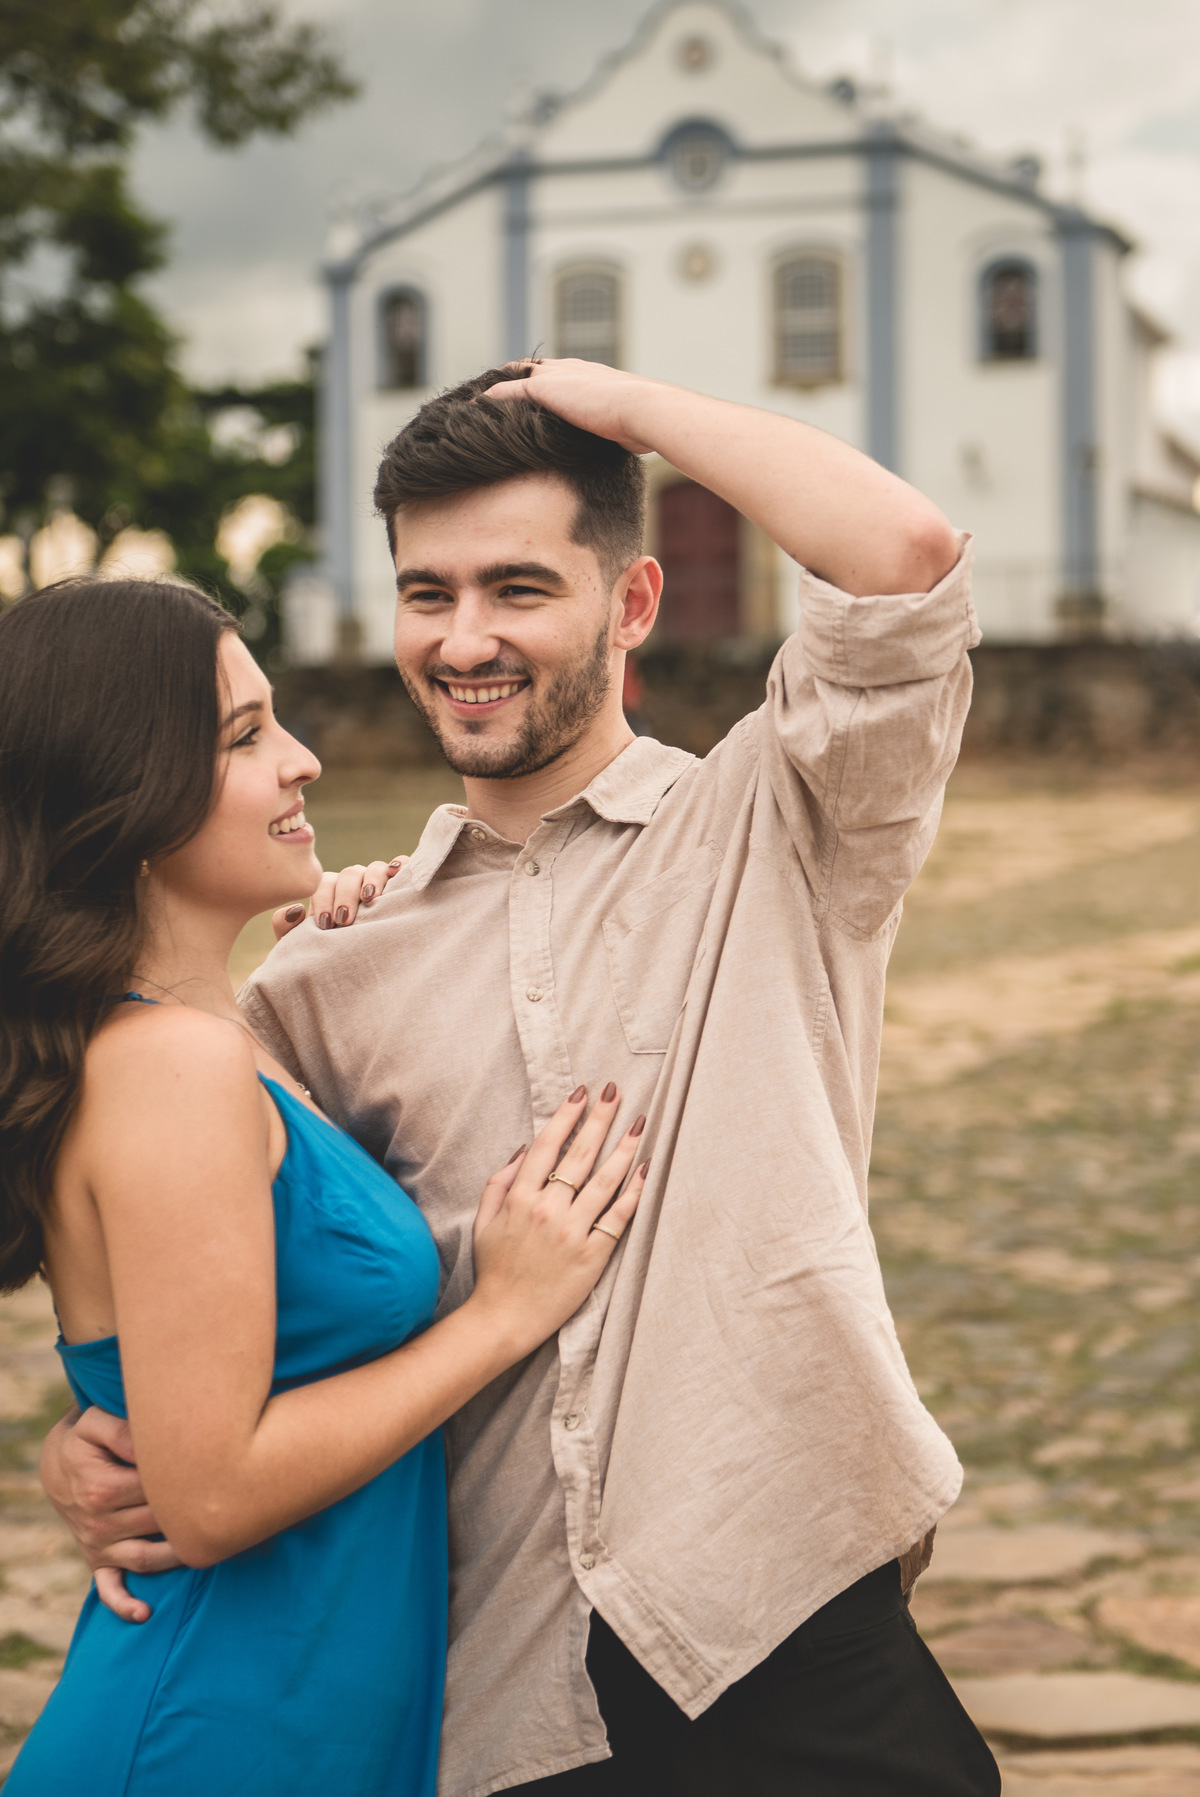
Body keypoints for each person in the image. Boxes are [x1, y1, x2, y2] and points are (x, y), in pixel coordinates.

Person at [43, 361, 1000, 1796]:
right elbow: (227, 1286)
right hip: (510, 1679)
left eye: (518, 587)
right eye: (428, 593)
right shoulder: (317, 977)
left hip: (789, 1610)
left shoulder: (785, 819)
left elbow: (904, 561)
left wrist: (621, 402)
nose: (464, 637)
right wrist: (99, 1439)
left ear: (631, 605)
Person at [0, 577, 646, 1796]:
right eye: (244, 737)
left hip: (310, 1720)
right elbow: (212, 1496)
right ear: (121, 793)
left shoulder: (220, 1038)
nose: (299, 761)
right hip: (219, 1730)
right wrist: (501, 1317)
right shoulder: (173, 1067)